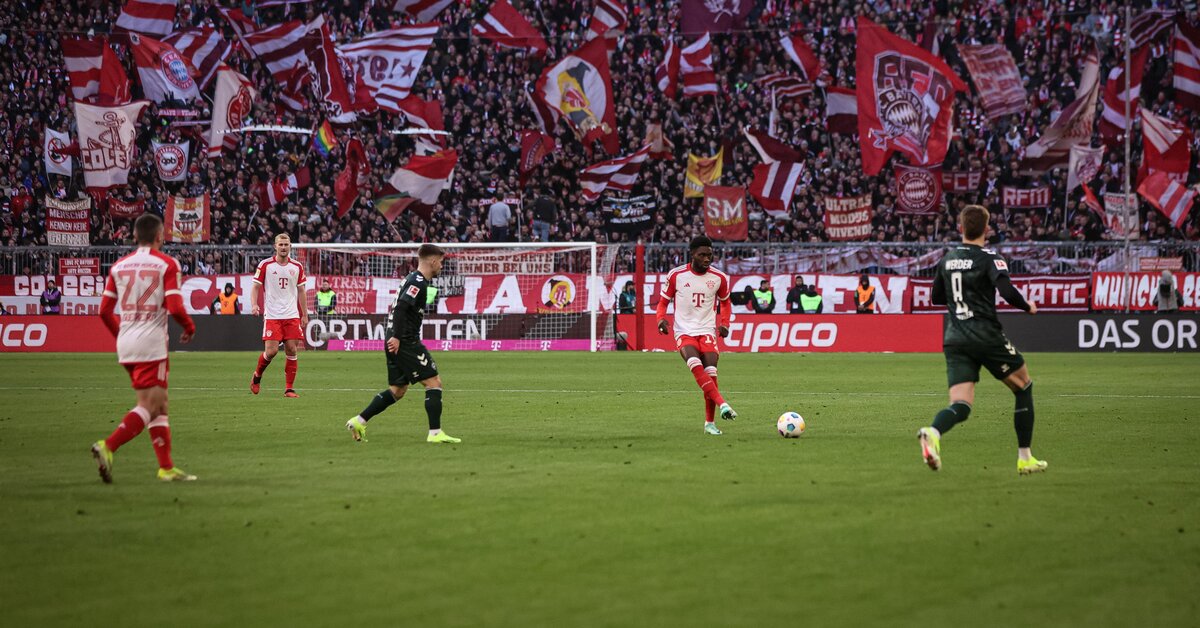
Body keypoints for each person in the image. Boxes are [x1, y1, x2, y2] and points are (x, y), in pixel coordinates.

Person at [917, 205, 1045, 476]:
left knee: (961, 405)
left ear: (960, 228)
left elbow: (937, 298)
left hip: (954, 337)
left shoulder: (947, 259)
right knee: (1023, 386)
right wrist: (1027, 307)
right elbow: (1007, 291)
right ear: (987, 230)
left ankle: (933, 431)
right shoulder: (990, 258)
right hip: (985, 334)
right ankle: (1025, 458)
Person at [91, 213, 197, 483]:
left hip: (126, 342)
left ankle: (166, 467)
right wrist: (188, 327)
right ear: (161, 236)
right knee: (150, 406)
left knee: (160, 405)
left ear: (135, 236)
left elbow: (104, 311)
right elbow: (174, 306)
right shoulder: (167, 264)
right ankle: (108, 446)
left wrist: (121, 334)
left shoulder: (118, 266)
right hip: (151, 343)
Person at [345, 244, 461, 444]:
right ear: (432, 261)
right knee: (434, 382)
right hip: (404, 340)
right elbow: (400, 308)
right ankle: (435, 433)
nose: (441, 265)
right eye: (440, 261)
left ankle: (359, 420)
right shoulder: (418, 282)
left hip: (395, 338)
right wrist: (398, 337)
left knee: (398, 389)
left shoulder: (412, 278)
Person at [656, 235, 737, 435]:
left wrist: (725, 323)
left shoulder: (719, 278)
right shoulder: (677, 275)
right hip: (684, 331)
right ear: (692, 254)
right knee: (695, 364)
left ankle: (709, 423)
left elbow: (726, 302)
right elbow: (663, 302)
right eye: (702, 255)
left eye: (710, 255)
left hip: (707, 331)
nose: (707, 259)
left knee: (711, 374)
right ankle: (723, 404)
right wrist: (660, 318)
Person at [249, 233, 308, 398]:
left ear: (290, 247)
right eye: (280, 244)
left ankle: (289, 388)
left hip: (291, 315)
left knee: (292, 349)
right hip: (273, 315)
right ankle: (257, 376)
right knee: (272, 351)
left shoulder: (297, 266)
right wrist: (254, 305)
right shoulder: (266, 265)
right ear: (275, 246)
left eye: (286, 244)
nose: (283, 247)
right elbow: (255, 287)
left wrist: (305, 313)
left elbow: (302, 291)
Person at [615, 280, 636, 350]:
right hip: (625, 315)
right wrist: (631, 310)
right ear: (628, 286)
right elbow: (622, 306)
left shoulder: (634, 295)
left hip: (634, 316)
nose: (633, 287)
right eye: (632, 285)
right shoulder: (623, 295)